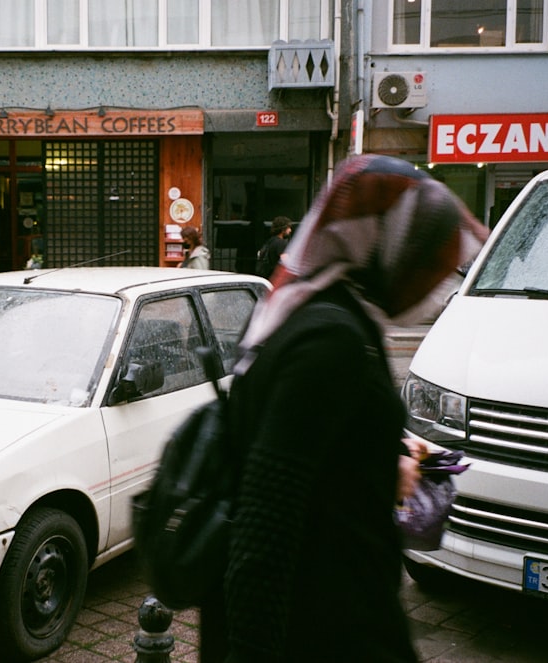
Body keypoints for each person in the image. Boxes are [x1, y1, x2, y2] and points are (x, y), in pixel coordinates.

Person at [200, 155, 488, 662]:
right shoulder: (331, 340)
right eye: (426, 258)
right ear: (389, 245)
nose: (435, 281)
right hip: (323, 627)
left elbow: (313, 458)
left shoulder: (321, 315)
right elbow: (264, 529)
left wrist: (382, 459)